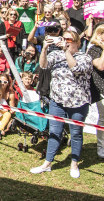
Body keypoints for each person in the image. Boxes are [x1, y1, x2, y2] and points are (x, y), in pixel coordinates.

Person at [31, 31, 92, 178]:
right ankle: (47, 163)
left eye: (69, 39)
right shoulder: (56, 54)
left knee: (76, 133)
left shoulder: (85, 57)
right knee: (54, 131)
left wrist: (66, 51)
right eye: (63, 39)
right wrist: (44, 49)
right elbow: (43, 65)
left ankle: (74, 163)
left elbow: (76, 69)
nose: (65, 41)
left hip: (78, 102)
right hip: (57, 101)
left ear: (77, 42)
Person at [87, 24, 104, 160]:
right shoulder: (93, 50)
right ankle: (101, 147)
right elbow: (100, 65)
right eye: (101, 33)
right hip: (100, 89)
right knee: (103, 119)